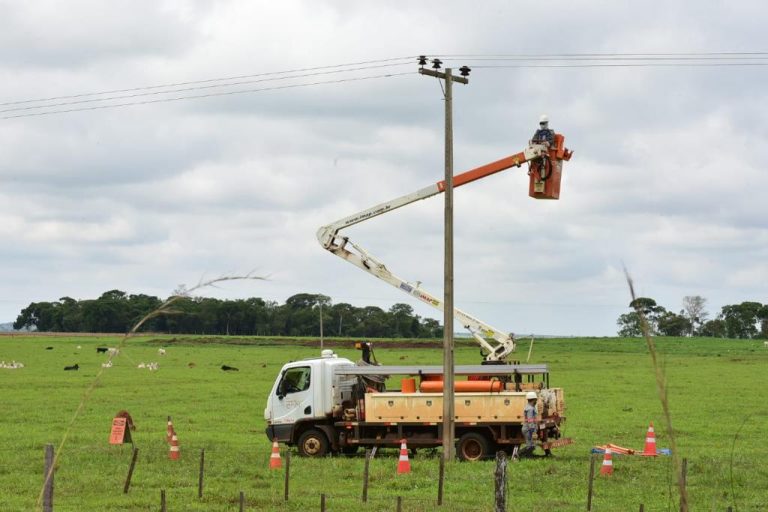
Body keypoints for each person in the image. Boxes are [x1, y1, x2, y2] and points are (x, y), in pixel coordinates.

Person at [521, 391, 539, 456]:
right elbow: (530, 420)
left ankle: (528, 456)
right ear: (533, 399)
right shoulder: (530, 409)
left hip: (528, 429)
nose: (536, 401)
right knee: (530, 446)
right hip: (528, 429)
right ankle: (518, 454)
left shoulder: (530, 407)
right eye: (535, 399)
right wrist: (533, 431)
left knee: (532, 445)